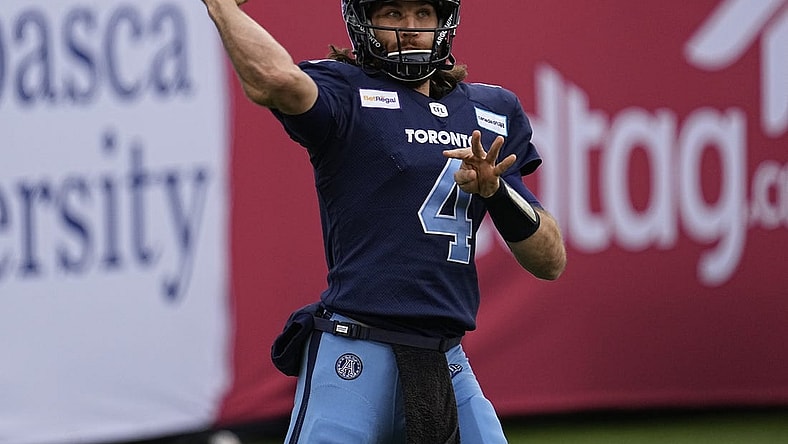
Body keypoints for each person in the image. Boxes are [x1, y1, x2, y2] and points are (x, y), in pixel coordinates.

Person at [201, 0, 567, 442]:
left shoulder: (490, 109)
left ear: (444, 21)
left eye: (423, 14)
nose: (410, 28)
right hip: (355, 353)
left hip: (445, 360)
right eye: (392, 12)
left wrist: (497, 192)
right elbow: (275, 80)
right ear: (363, 21)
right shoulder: (346, 90)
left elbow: (550, 261)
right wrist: (220, 4)